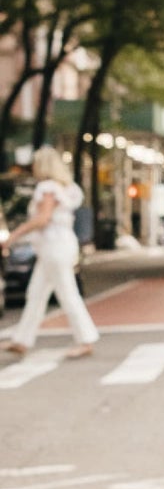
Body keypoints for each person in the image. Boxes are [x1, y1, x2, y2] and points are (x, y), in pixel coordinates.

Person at [3, 145, 99, 360]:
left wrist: (14, 235)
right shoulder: (66, 188)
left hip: (54, 246)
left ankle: (85, 339)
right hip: (57, 245)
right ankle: (22, 340)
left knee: (67, 293)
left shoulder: (47, 187)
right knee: (36, 294)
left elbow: (42, 219)